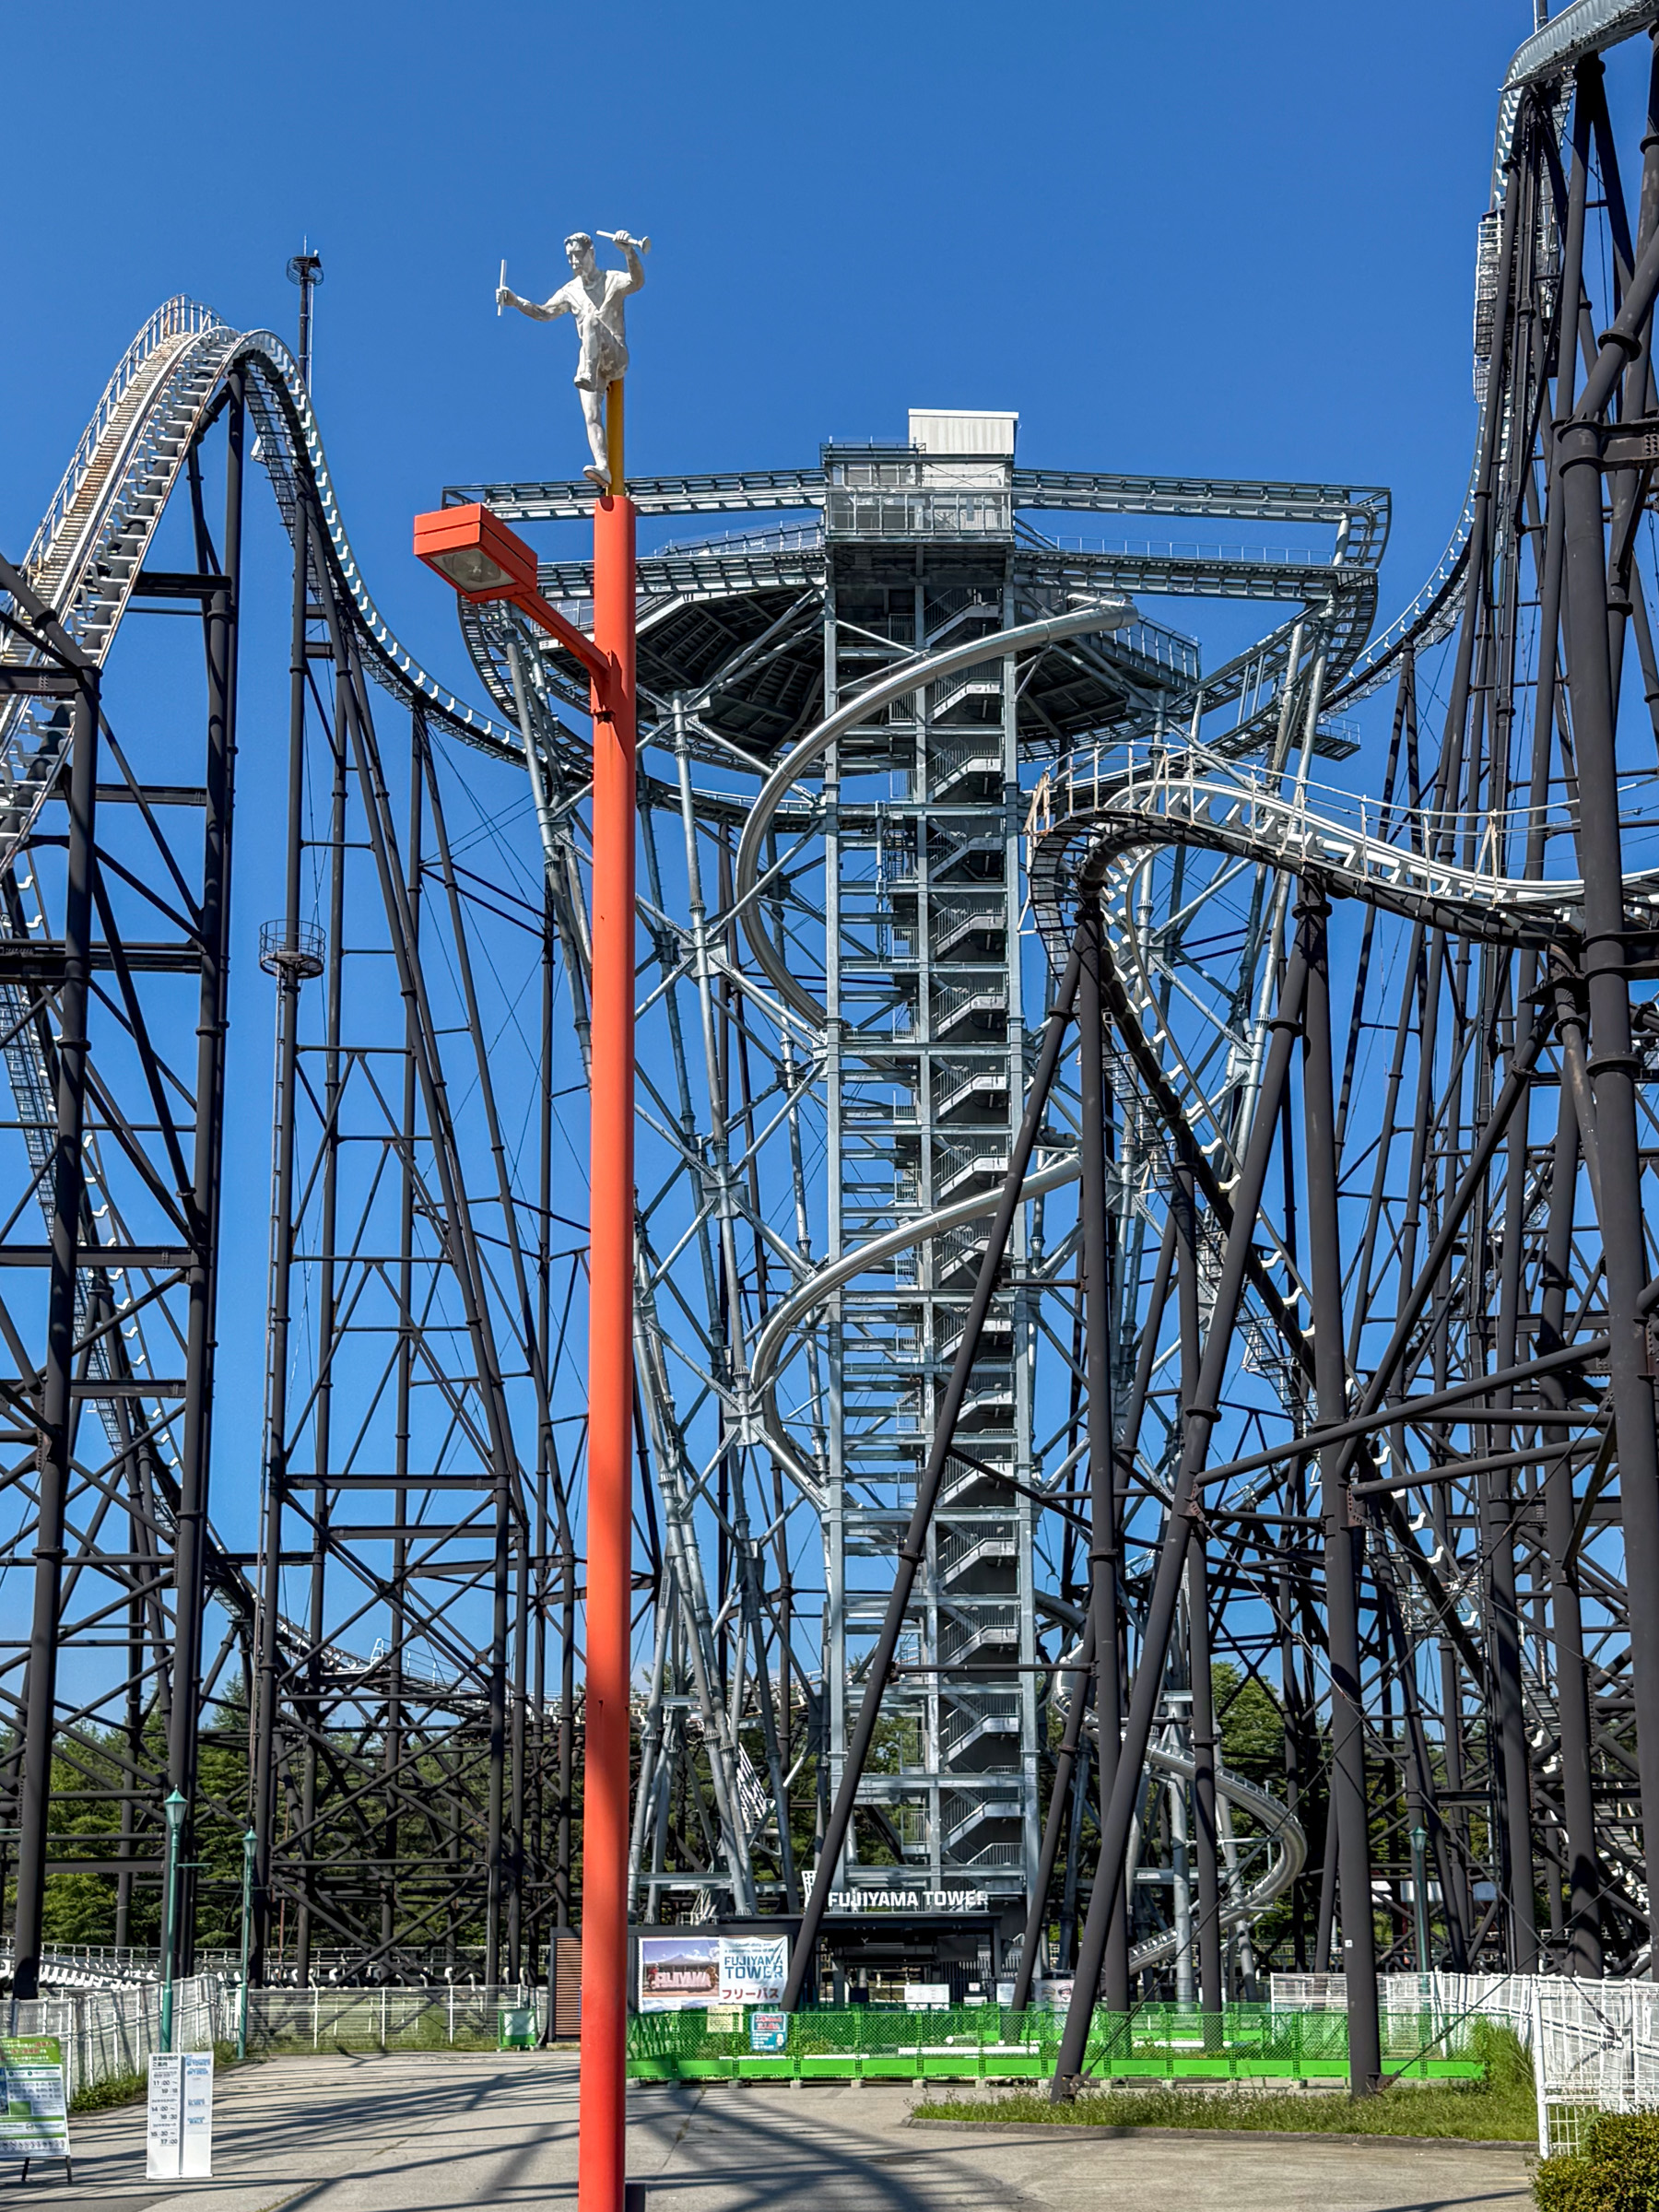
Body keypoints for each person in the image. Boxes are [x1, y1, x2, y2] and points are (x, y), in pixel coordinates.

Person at [497, 231, 646, 487]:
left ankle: (587, 371)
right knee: (591, 415)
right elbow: (544, 313)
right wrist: (515, 301)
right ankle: (603, 467)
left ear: (591, 253)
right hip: (591, 365)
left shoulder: (611, 279)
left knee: (590, 320)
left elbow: (636, 281)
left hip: (615, 356)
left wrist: (628, 252)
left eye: (578, 255)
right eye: (570, 257)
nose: (574, 262)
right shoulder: (570, 290)